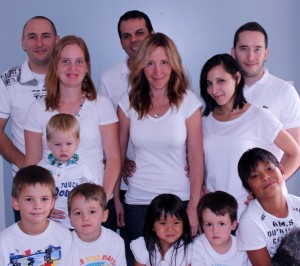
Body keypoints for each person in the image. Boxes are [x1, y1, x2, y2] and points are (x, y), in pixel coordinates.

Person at [118, 32, 204, 240]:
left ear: (173, 64)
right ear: (141, 67)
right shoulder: (127, 103)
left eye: (164, 62)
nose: (158, 71)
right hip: (138, 200)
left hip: (179, 198)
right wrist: (116, 199)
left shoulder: (189, 102)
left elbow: (196, 157)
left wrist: (194, 205)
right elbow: (116, 156)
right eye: (150, 63)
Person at [200, 53, 300, 218]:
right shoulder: (204, 122)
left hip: (254, 214)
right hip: (217, 218)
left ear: (237, 78)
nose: (214, 90)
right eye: (209, 83)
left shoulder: (259, 116)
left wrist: (267, 186)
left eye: (221, 81)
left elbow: (295, 154)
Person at [24, 35, 121, 205]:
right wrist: (44, 205)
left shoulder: (102, 105)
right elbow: (32, 165)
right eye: (65, 61)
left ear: (87, 67)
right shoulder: (37, 109)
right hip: (54, 211)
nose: (72, 68)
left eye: (79, 61)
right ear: (55, 66)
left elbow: (113, 158)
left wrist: (101, 201)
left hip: (96, 205)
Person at [98, 11, 154, 264]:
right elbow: (105, 131)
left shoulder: (170, 71)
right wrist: (121, 164)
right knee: (135, 253)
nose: (134, 40)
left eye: (139, 33)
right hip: (128, 181)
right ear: (120, 41)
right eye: (126, 36)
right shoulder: (109, 79)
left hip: (166, 176)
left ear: (151, 34)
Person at [231, 22, 300, 160]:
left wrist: (271, 181)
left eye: (257, 49)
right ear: (233, 53)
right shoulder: (221, 92)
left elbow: (296, 152)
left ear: (266, 53)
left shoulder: (284, 92)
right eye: (244, 49)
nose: (251, 57)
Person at [0, 16, 59, 174]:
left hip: (70, 181)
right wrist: (24, 164)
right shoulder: (7, 80)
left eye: (46, 36)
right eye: (32, 37)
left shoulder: (71, 76)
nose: (39, 43)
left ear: (57, 40)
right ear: (23, 43)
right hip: (28, 183)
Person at [0, 165, 76, 265]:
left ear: (52, 202)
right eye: (29, 199)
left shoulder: (64, 236)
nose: (37, 206)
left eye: (44, 199)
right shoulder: (4, 241)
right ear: (16, 203)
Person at [237, 148, 300, 266]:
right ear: (248, 188)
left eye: (269, 169)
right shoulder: (250, 221)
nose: (265, 177)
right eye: (255, 176)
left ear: (282, 170)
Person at [38, 113, 97, 229]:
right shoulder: (41, 169)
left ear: (77, 143)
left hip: (76, 226)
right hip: (49, 224)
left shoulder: (83, 169)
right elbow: (35, 196)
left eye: (69, 144)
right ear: (48, 143)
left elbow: (94, 197)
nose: (63, 149)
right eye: (58, 144)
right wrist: (47, 210)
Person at [68, 183, 127, 265]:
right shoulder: (66, 244)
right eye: (78, 213)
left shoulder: (116, 241)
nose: (85, 218)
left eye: (92, 212)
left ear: (104, 215)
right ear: (70, 219)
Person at [130, 193, 193, 266]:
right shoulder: (143, 246)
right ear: (152, 225)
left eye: (176, 223)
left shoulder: (189, 250)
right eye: (163, 223)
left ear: (184, 224)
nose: (170, 229)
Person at [192, 191, 250, 265]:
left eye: (221, 224)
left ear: (233, 224)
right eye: (209, 224)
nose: (215, 231)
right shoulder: (199, 245)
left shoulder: (242, 247)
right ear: (202, 225)